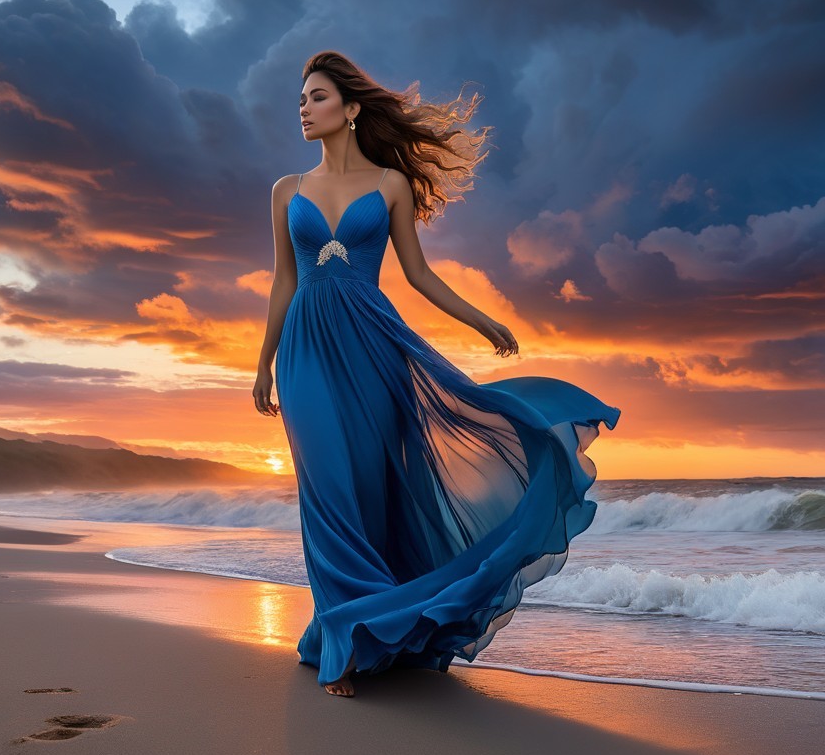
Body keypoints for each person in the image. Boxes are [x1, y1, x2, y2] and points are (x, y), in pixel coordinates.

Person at [252, 51, 620, 697]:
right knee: (329, 494)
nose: (304, 110)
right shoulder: (287, 190)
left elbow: (419, 274)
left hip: (375, 347)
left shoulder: (390, 185)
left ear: (351, 108)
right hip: (307, 349)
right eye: (302, 101)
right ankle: (344, 644)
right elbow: (285, 280)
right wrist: (263, 362)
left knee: (370, 489)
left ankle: (363, 628)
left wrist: (483, 321)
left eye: (316, 98)